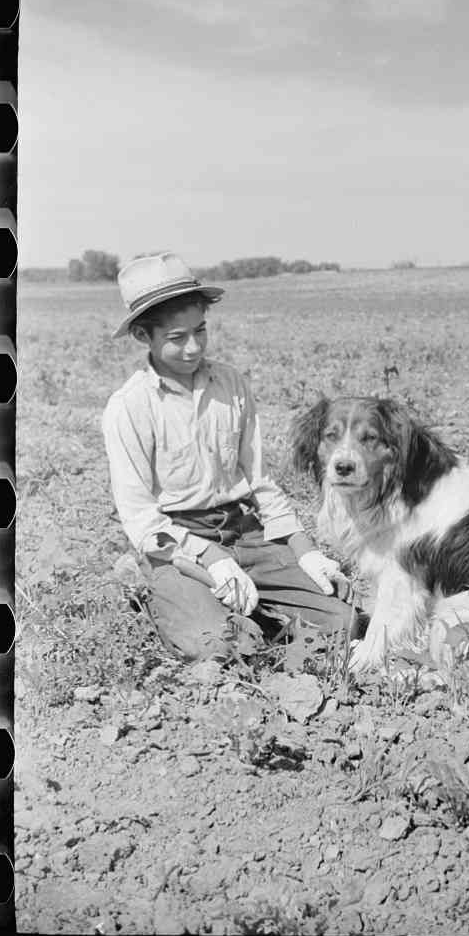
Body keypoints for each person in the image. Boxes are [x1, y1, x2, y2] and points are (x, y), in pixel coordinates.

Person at [102, 251, 357, 662]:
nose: (193, 347)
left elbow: (259, 482)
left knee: (343, 623)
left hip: (246, 535)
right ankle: (157, 591)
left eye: (200, 331)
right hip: (177, 547)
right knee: (218, 645)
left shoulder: (230, 384)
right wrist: (212, 557)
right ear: (142, 336)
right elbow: (141, 520)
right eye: (177, 338)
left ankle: (251, 608)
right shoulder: (129, 408)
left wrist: (305, 550)